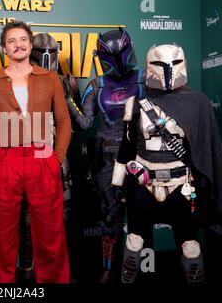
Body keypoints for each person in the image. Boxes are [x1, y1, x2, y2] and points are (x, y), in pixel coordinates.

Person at [112, 44, 222, 283]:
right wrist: (117, 184)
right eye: (160, 65)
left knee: (190, 246)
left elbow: (206, 150)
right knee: (136, 244)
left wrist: (206, 188)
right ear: (149, 67)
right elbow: (126, 146)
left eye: (172, 64)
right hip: (143, 186)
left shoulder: (198, 103)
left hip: (182, 187)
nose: (167, 71)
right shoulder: (136, 104)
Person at [0, 20, 71, 283]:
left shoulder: (50, 78)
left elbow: (63, 122)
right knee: (2, 234)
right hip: (6, 159)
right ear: (4, 48)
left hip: (43, 157)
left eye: (23, 40)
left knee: (50, 231)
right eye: (11, 41)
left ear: (30, 44)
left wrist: (57, 158)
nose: (18, 45)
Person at [69, 28, 145, 282]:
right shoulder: (96, 84)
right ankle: (108, 266)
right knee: (110, 215)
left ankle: (134, 267)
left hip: (139, 154)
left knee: (140, 212)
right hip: (107, 159)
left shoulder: (145, 79)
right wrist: (67, 97)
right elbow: (84, 123)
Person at [15, 33, 75, 282]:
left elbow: (72, 123)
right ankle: (28, 272)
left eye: (52, 52)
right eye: (42, 52)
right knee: (27, 222)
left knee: (60, 217)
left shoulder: (65, 82)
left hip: (58, 160)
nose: (47, 58)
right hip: (28, 158)